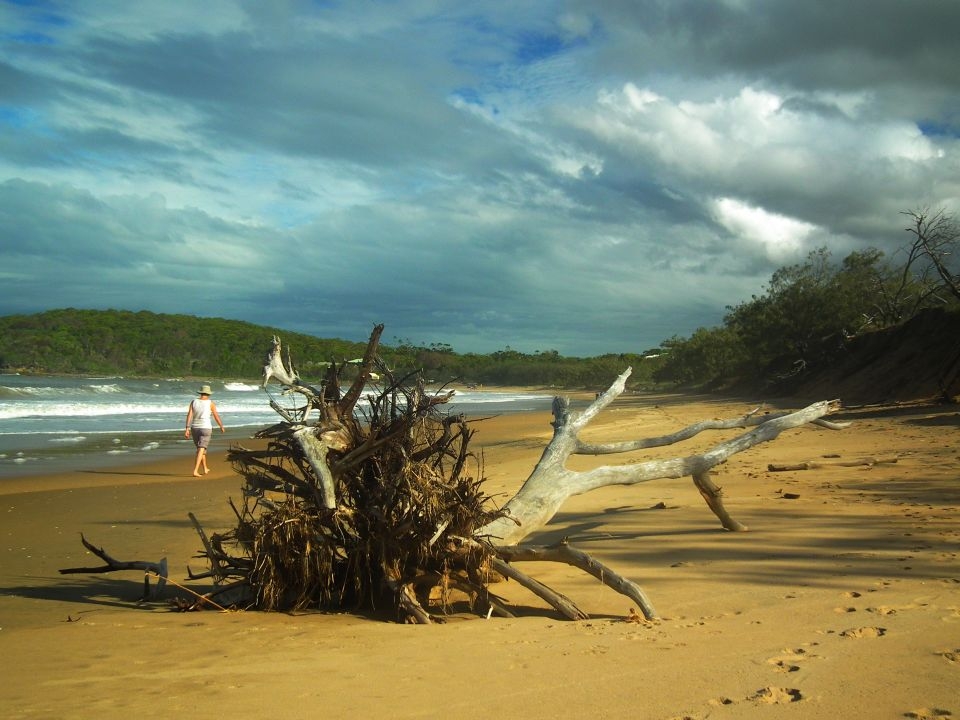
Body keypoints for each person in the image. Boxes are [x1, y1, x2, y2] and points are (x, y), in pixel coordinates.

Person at [184, 384, 225, 477]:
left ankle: (205, 468)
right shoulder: (211, 403)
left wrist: (187, 428)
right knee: (201, 449)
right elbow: (216, 416)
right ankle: (195, 471)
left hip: (194, 428)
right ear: (209, 393)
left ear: (201, 392)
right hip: (206, 428)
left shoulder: (193, 401)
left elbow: (189, 415)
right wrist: (221, 426)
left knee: (200, 449)